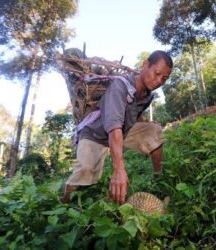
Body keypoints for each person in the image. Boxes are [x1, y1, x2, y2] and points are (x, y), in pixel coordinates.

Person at [61, 50, 173, 204]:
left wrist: (145, 121)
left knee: (155, 131)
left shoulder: (148, 95)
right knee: (85, 172)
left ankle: (159, 180)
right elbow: (114, 131)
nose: (159, 81)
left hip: (123, 131)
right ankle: (64, 203)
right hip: (96, 134)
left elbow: (136, 111)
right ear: (145, 64)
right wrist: (119, 170)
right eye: (157, 73)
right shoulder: (119, 86)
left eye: (164, 78)